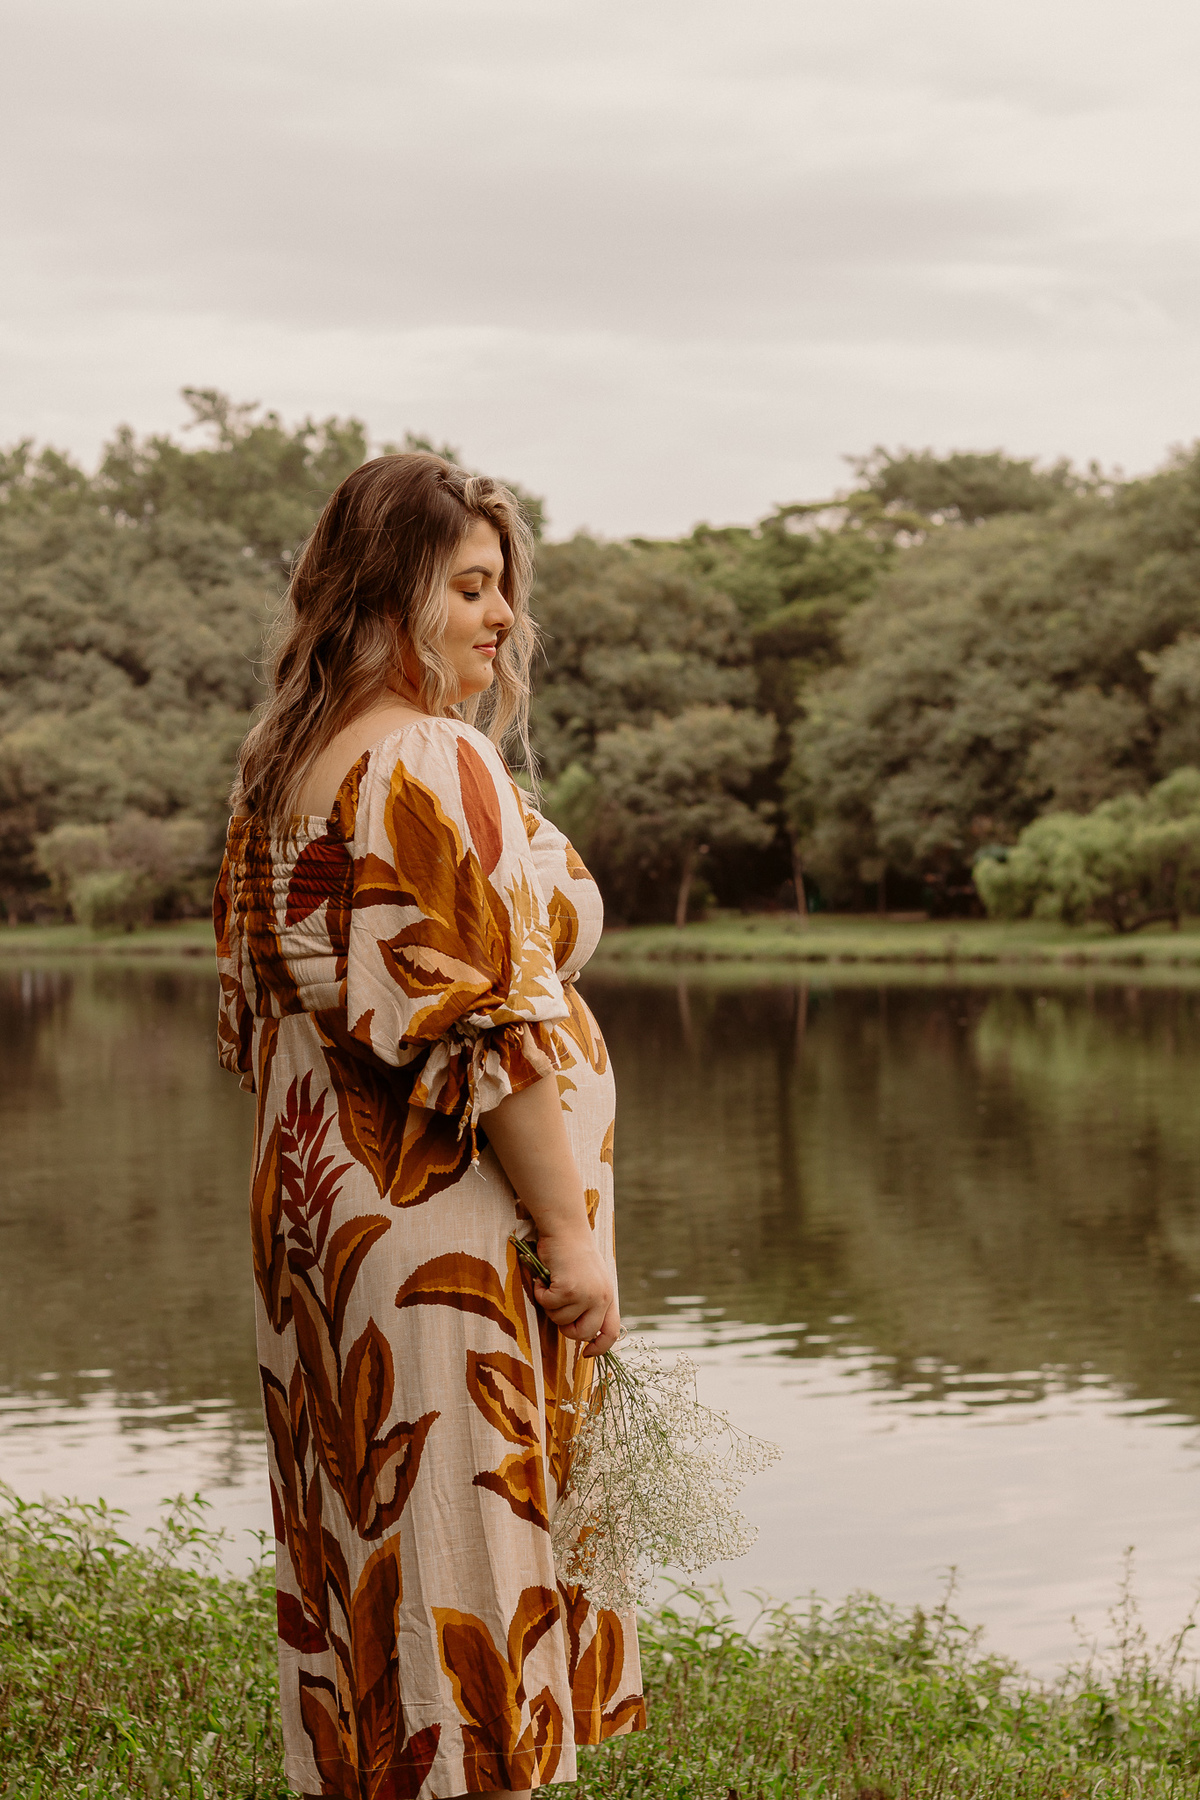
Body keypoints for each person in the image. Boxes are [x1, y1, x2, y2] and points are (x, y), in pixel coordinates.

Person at [213, 453, 645, 1800]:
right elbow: (483, 1027)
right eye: (469, 587)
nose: (502, 617)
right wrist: (574, 1241)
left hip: (326, 1224)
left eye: (502, 588)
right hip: (443, 1237)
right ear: (380, 593)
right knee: (461, 1590)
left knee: (375, 1580)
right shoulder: (424, 753)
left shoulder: (288, 759)